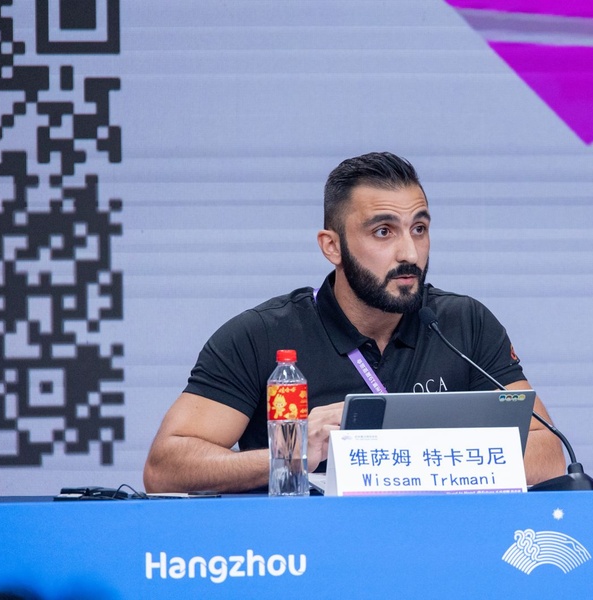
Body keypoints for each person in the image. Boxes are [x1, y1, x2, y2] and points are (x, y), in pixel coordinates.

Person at [143, 152, 567, 492]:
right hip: (305, 555)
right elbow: (165, 467)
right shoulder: (261, 335)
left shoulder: (463, 325)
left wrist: (411, 461)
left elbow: (548, 453)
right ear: (332, 246)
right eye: (384, 231)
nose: (409, 253)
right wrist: (290, 455)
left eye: (419, 229)